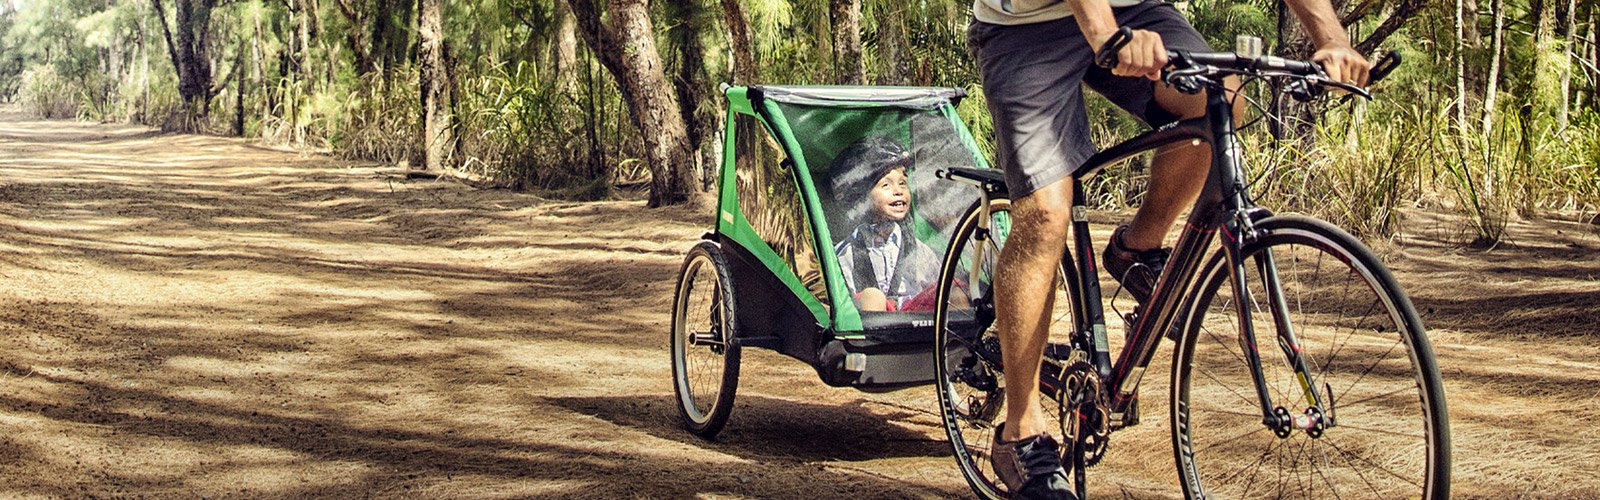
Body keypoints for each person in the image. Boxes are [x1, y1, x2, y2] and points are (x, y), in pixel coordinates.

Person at [967, 0, 1373, 497]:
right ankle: (1020, 433)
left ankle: (1137, 248)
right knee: (1046, 213)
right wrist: (1105, 33)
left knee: (1219, 98)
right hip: (1026, 27)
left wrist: (1331, 39)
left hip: (1136, 11)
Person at [828, 137, 941, 313]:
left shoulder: (920, 251)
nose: (898, 191)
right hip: (871, 328)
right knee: (873, 296)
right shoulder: (845, 254)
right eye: (886, 185)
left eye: (903, 183)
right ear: (863, 197)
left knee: (954, 290)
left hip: (918, 327)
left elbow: (937, 291)